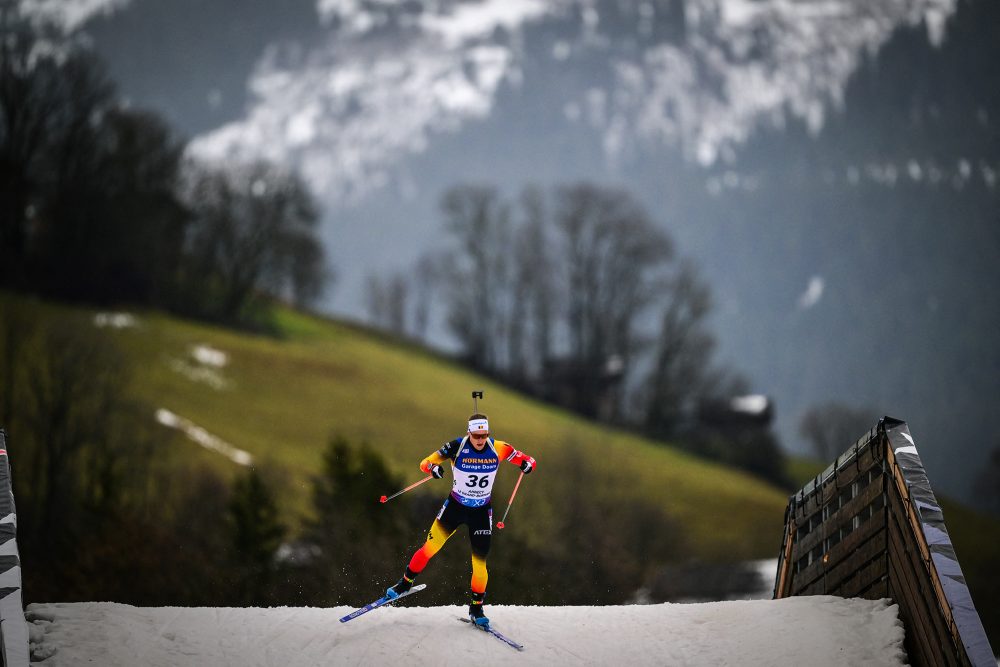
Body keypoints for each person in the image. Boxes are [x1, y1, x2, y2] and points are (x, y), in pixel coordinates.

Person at [385, 412, 536, 627]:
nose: (480, 440)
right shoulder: (456, 446)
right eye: (476, 436)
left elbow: (529, 460)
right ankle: (405, 583)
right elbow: (425, 463)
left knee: (480, 564)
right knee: (430, 547)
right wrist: (433, 468)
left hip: (481, 512)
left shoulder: (499, 447)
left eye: (484, 435)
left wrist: (527, 465)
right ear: (469, 433)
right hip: (455, 507)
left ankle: (476, 608)